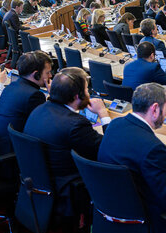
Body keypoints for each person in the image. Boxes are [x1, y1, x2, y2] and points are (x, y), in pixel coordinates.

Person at [98, 83, 166, 233]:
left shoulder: (114, 125)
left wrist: (162, 174)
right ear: (155, 109)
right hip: (146, 217)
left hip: (113, 206)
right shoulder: (154, 148)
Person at [24, 67, 111, 214]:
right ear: (78, 96)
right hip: (68, 185)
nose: (88, 93)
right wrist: (103, 114)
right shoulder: (75, 124)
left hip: (42, 182)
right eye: (86, 89)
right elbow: (108, 150)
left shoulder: (40, 109)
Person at [0, 51, 52, 158]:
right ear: (36, 74)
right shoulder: (34, 95)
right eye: (47, 72)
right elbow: (44, 128)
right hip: (11, 154)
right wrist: (54, 97)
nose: (50, 75)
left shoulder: (11, 87)